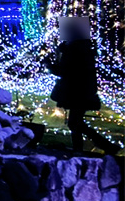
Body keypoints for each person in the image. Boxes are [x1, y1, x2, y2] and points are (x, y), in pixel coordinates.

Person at [45, 16, 121, 154]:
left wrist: (49, 65)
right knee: (75, 123)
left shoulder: (74, 50)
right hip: (81, 92)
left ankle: (104, 147)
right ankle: (84, 148)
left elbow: (64, 71)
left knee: (75, 123)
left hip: (77, 92)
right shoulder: (82, 48)